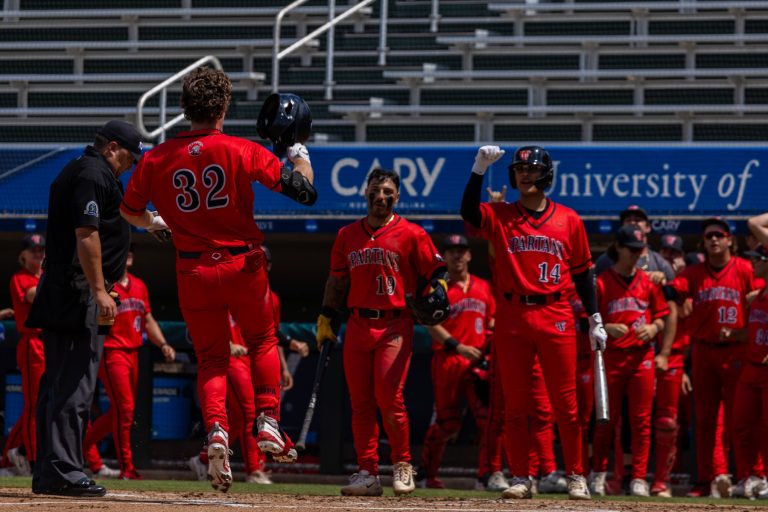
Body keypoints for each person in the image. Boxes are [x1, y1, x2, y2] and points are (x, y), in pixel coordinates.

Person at [120, 67, 315, 493]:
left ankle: (217, 434)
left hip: (193, 267)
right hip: (242, 262)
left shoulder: (154, 159)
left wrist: (156, 222)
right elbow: (303, 190)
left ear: (184, 108)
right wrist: (299, 153)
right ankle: (267, 420)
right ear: (224, 107)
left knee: (211, 359)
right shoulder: (241, 149)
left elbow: (129, 211)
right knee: (262, 340)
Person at [460, 145, 607, 500]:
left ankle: (575, 474)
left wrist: (595, 317)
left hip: (555, 311)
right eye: (520, 170)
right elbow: (468, 213)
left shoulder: (568, 219)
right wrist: (478, 169)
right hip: (512, 313)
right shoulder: (500, 214)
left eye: (532, 169)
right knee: (516, 403)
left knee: (566, 403)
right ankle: (523, 476)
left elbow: (584, 274)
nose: (525, 175)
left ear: (546, 174)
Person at [26, 120, 143, 497]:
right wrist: (99, 290)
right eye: (129, 155)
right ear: (111, 147)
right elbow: (86, 233)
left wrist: (152, 223)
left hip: (69, 289)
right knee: (74, 386)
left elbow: (113, 221)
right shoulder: (93, 172)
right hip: (77, 291)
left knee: (59, 384)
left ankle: (51, 469)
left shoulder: (88, 170)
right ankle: (63, 469)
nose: (132, 163)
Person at [316, 167, 447, 497]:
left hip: (394, 323)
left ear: (397, 196)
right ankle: (368, 472)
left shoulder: (412, 233)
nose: (381, 196)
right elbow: (336, 280)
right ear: (365, 194)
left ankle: (402, 464)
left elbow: (437, 270)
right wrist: (326, 317)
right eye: (375, 190)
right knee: (360, 404)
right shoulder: (347, 235)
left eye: (388, 191)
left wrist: (439, 290)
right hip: (358, 323)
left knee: (390, 398)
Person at [665, 217, 758, 497]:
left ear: (730, 239)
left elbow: (761, 294)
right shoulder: (694, 273)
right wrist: (661, 280)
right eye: (709, 236)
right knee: (704, 420)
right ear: (703, 243)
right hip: (704, 351)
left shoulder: (744, 268)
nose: (714, 239)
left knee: (740, 419)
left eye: (719, 234)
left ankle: (746, 477)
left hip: (737, 352)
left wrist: (747, 327)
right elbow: (670, 291)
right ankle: (708, 479)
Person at [82, 247, 175, 479]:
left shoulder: (140, 285)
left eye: (128, 253)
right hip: (112, 352)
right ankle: (127, 468)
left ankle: (82, 444)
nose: (125, 256)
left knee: (120, 412)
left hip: (134, 352)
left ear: (131, 259)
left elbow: (148, 318)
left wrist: (163, 343)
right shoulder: (103, 285)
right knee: (125, 410)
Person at [591, 225, 670, 497]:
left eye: (640, 250)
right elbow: (588, 319)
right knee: (605, 421)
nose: (636, 255)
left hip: (641, 359)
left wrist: (655, 329)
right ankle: (599, 474)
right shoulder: (602, 281)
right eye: (631, 249)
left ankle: (638, 477)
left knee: (641, 421)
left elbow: (662, 315)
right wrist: (607, 326)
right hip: (611, 357)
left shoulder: (648, 282)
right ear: (619, 248)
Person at [420, 234, 494, 489]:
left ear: (469, 255)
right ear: (445, 256)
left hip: (478, 365)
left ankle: (486, 475)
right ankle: (426, 474)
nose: (457, 255)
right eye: (452, 251)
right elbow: (430, 323)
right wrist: (459, 346)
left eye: (461, 250)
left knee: (487, 420)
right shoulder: (438, 288)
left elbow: (492, 320)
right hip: (449, 359)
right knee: (447, 423)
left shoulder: (484, 287)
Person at [1, 234, 45, 477]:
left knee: (43, 405)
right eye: (34, 250)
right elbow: (33, 295)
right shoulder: (21, 277)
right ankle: (33, 457)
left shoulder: (44, 278)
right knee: (35, 404)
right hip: (32, 344)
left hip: (49, 343)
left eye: (41, 250)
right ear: (23, 255)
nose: (38, 253)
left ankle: (13, 452)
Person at [731, 243, 768, 499]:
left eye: (759, 259)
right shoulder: (759, 294)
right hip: (751, 366)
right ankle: (752, 476)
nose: (753, 263)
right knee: (741, 423)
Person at [594, 205, 675, 284]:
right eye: (628, 220)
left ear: (648, 227)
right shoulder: (605, 260)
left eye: (637, 220)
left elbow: (674, 295)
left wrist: (662, 285)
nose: (632, 223)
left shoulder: (661, 263)